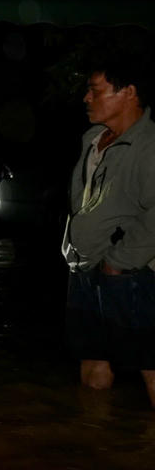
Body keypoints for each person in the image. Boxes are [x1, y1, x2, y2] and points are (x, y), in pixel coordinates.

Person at [63, 53, 155, 407]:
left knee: (151, 366)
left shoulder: (148, 146)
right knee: (92, 370)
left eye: (95, 91)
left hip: (133, 278)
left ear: (129, 92)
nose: (87, 98)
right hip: (86, 272)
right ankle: (97, 450)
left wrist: (118, 261)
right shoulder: (92, 140)